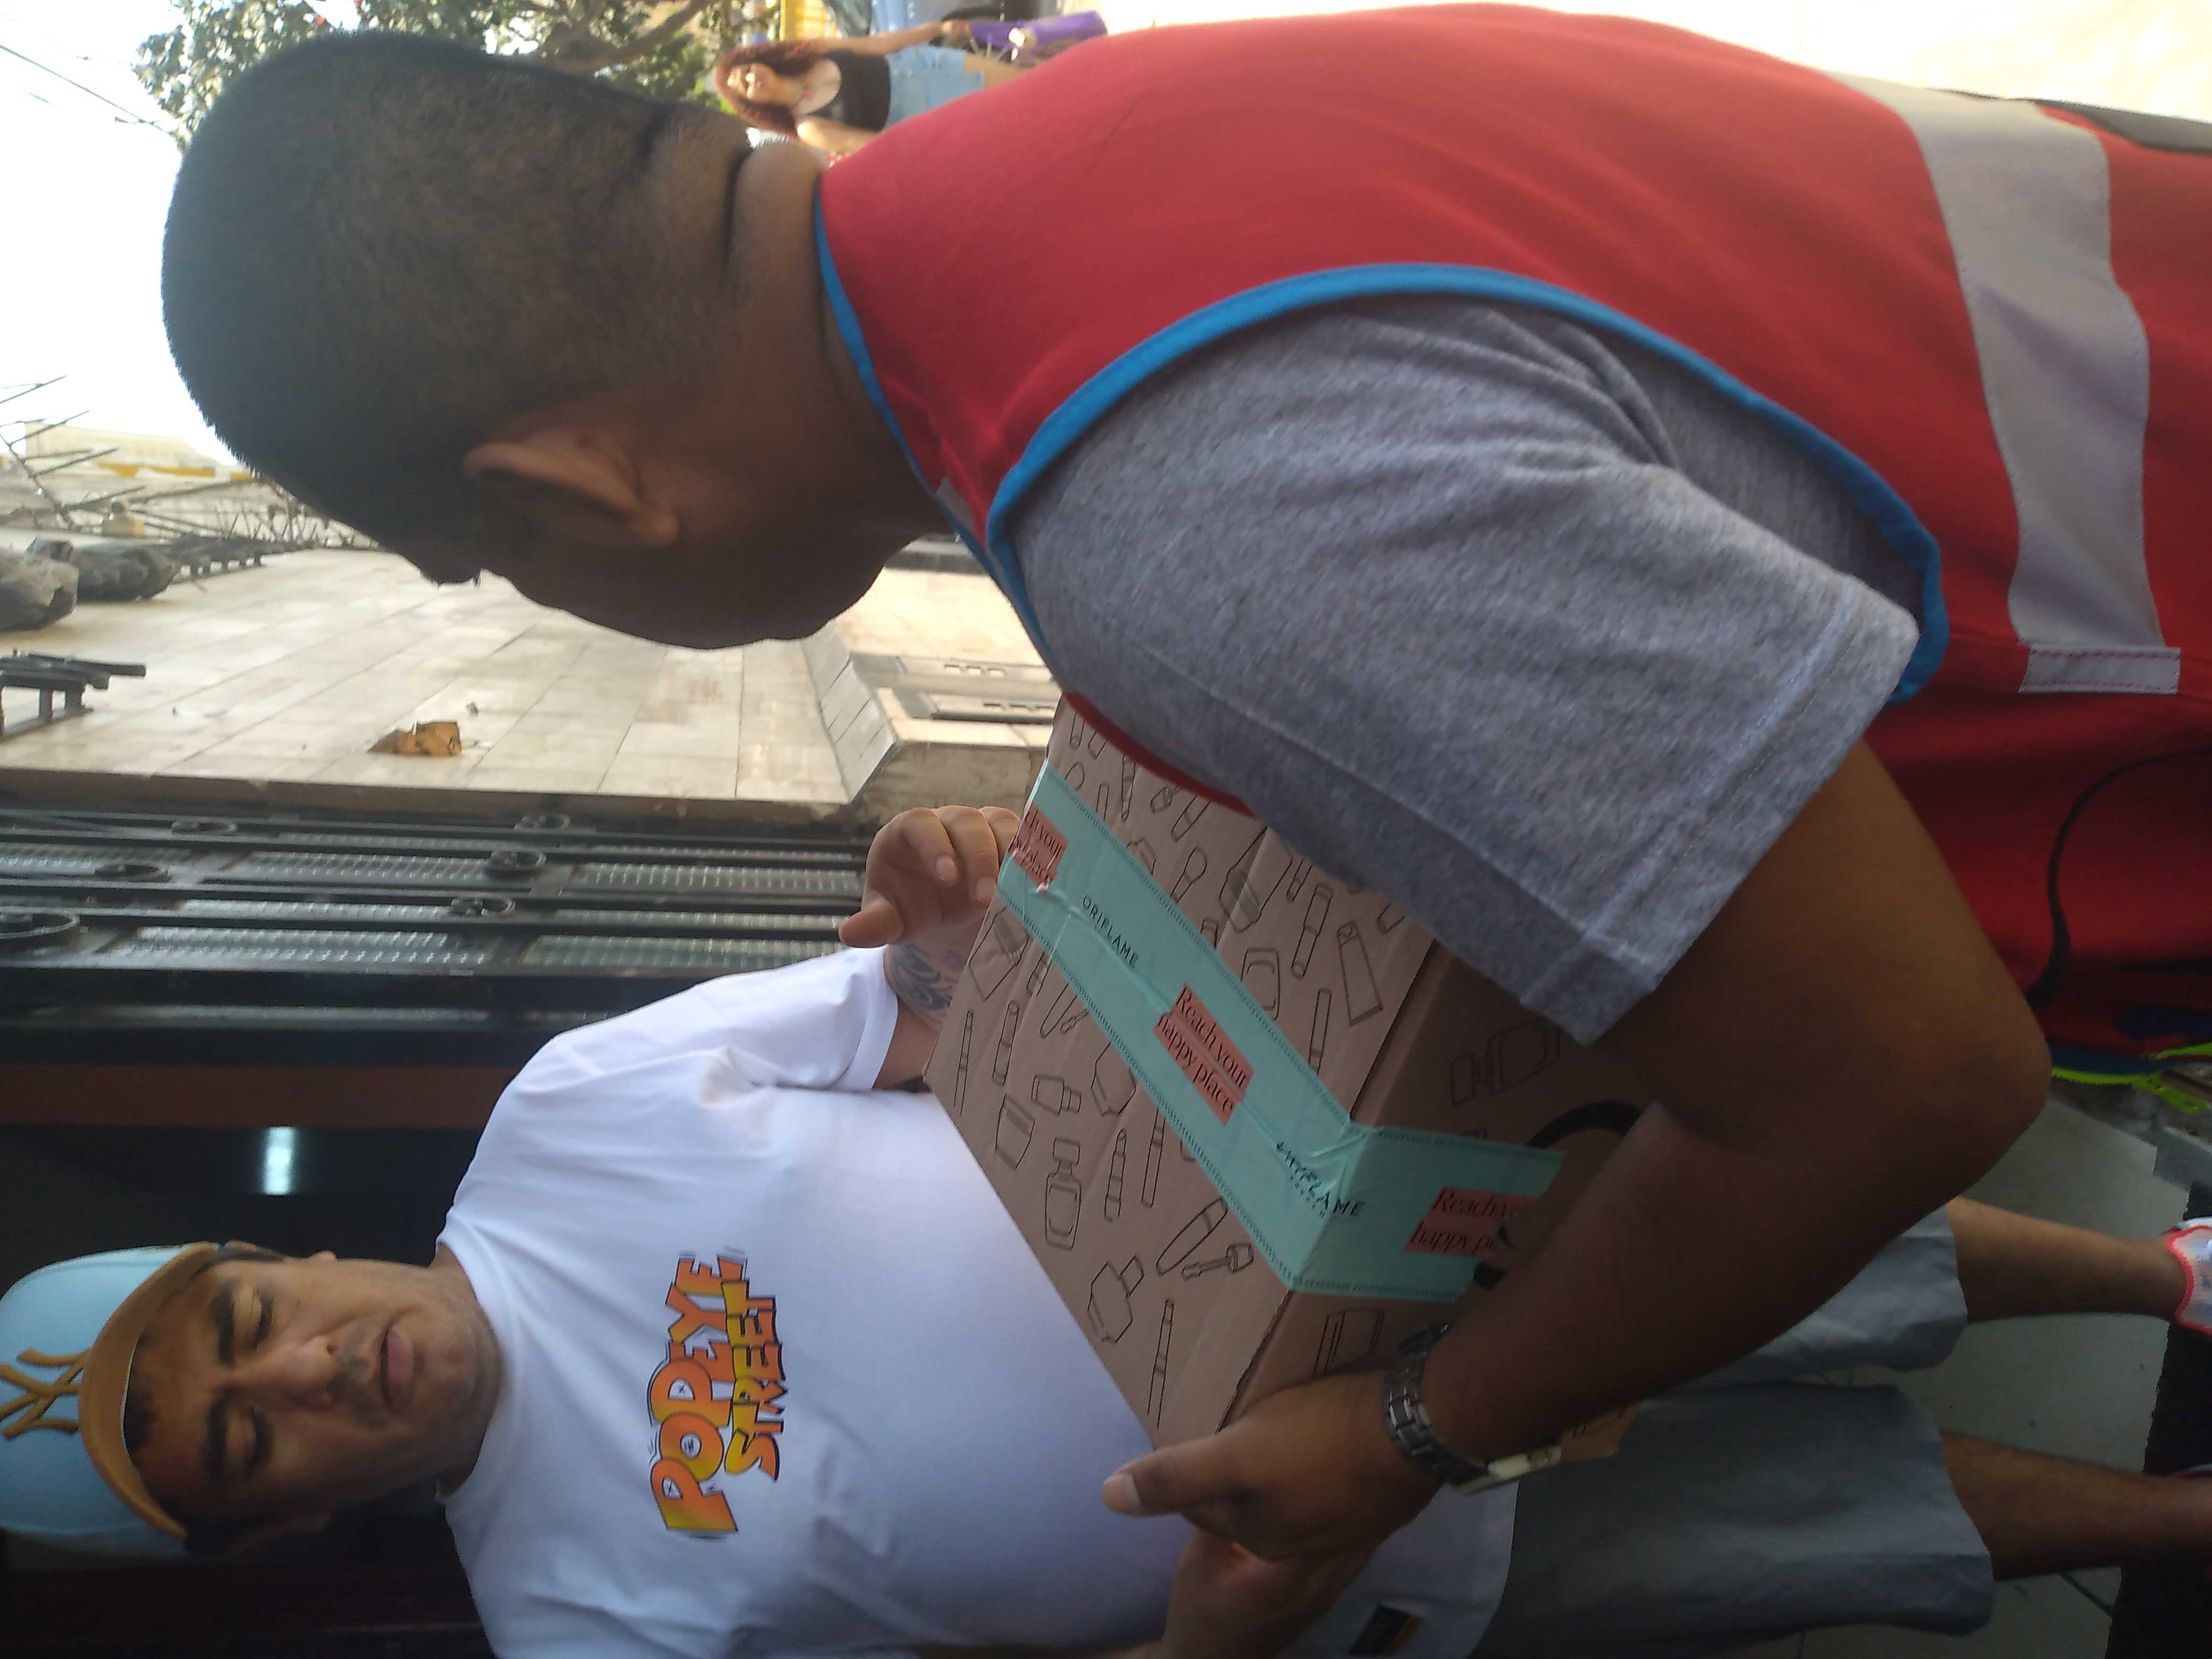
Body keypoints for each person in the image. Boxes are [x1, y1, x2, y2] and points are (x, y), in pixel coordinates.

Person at [155, 12, 2212, 1576]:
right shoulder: (1068, 149)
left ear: (569, 490)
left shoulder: (1172, 507)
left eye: (501, 569)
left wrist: (1414, 1429)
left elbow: (1894, 1080)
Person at [10, 803, 2212, 1657]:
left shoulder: (569, 1116)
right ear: (284, 1523)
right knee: (1827, 1510)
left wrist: (956, 901)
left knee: (1813, 1250)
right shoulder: (574, 1626)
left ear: (278, 1261)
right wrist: (1209, 1647)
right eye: (246, 1437)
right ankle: (2185, 1521)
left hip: (1377, 1242)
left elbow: (924, 1003)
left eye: (246, 1315)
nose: (307, 1369)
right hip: (1362, 1556)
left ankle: (2164, 1276)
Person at [713, 22, 1024, 155]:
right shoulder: (810, 128)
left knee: (1021, 82)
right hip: (925, 113)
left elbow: (877, 44)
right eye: (745, 86)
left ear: (758, 61)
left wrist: (937, 29)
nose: (752, 78)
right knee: (1012, 120)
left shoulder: (810, 53)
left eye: (748, 71)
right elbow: (880, 147)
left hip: (924, 64)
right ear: (753, 104)